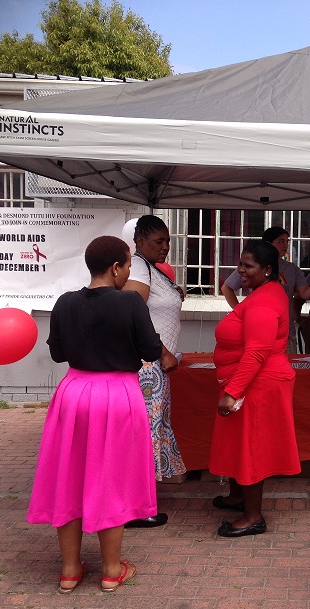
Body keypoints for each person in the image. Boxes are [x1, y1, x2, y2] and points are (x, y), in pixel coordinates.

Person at [27, 236, 163, 593]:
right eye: (129, 265)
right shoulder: (130, 302)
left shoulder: (64, 303)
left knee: (68, 478)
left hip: (73, 393)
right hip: (118, 395)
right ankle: (111, 569)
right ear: (116, 268)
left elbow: (57, 354)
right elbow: (151, 348)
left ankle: (70, 570)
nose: (130, 272)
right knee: (112, 479)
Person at [210, 239, 301, 537]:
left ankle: (253, 517)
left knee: (252, 448)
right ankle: (239, 498)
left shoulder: (264, 300)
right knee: (241, 443)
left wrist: (233, 391)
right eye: (240, 264)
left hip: (259, 384)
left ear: (268, 270)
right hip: (253, 381)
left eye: (248, 265)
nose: (240, 271)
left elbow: (257, 352)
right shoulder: (263, 293)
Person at [123, 215, 186, 528]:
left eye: (168, 241)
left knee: (150, 432)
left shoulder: (151, 269)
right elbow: (133, 316)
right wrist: (162, 352)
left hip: (154, 367)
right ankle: (136, 507)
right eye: (158, 241)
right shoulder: (137, 267)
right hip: (147, 366)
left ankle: (140, 503)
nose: (165, 247)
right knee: (144, 436)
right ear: (139, 240)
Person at [222, 227, 310, 353]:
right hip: (257, 332)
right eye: (280, 241)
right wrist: (240, 312)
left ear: (269, 271)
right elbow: (226, 287)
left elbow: (304, 294)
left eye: (287, 241)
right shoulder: (253, 266)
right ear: (268, 244)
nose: (285, 245)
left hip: (285, 334)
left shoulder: (292, 269)